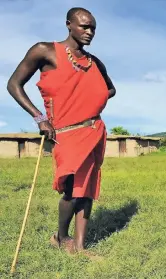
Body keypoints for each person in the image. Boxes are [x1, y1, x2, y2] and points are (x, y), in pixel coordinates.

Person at [6, 7, 115, 255]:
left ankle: (79, 246)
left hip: (93, 130)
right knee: (69, 188)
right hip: (65, 133)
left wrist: (87, 103)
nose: (89, 32)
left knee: (85, 188)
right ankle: (61, 237)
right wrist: (40, 117)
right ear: (68, 24)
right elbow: (14, 84)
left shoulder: (94, 62)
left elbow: (110, 89)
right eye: (84, 26)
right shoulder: (44, 51)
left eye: (93, 28)